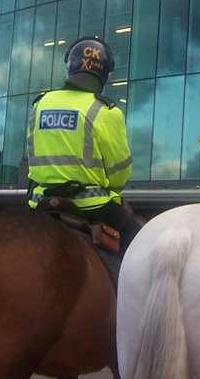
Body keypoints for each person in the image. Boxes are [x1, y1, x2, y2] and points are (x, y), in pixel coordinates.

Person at [26, 36, 139, 249]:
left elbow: (32, 152)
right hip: (91, 205)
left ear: (70, 67)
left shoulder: (40, 104)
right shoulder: (106, 111)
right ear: (104, 74)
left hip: (40, 202)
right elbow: (119, 172)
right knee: (142, 241)